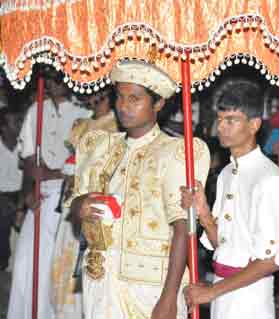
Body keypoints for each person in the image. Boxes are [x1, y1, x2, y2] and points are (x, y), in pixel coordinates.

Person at [68, 60, 210, 319]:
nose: (123, 106)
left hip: (150, 286)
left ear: (157, 104)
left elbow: (182, 229)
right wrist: (81, 205)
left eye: (134, 99)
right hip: (101, 279)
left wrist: (169, 297)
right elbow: (75, 202)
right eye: (120, 97)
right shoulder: (98, 146)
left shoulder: (174, 152)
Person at [181, 79, 279, 319]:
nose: (222, 128)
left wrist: (212, 291)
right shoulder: (228, 173)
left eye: (231, 120)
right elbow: (226, 247)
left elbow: (271, 261)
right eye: (220, 120)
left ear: (254, 124)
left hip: (251, 298)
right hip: (224, 292)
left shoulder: (270, 180)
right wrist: (204, 215)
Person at [7, 69, 91, 319]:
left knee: (57, 269)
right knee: (26, 264)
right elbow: (28, 157)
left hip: (70, 199)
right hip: (41, 196)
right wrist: (28, 193)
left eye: (59, 77)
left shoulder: (83, 112)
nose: (54, 83)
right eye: (50, 78)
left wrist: (54, 174)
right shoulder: (36, 110)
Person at [50, 87, 119, 319]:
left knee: (90, 273)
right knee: (63, 271)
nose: (90, 94)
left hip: (97, 207)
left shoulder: (117, 127)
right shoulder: (80, 124)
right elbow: (71, 168)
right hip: (72, 207)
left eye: (95, 88)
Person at [0, 108, 24, 271]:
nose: (20, 125)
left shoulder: (25, 146)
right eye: (16, 122)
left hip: (22, 195)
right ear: (3, 127)